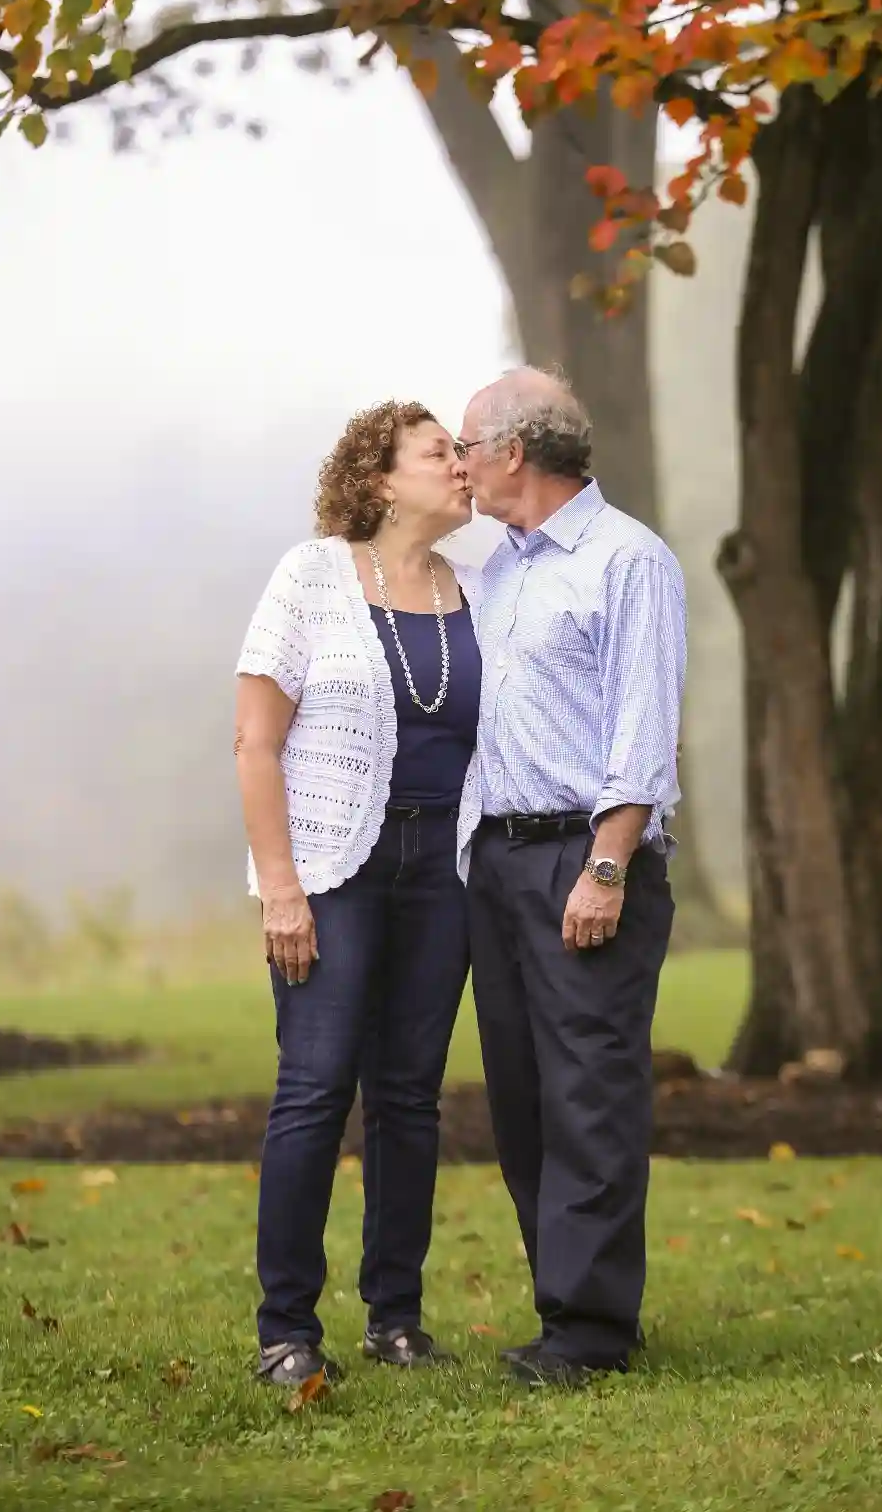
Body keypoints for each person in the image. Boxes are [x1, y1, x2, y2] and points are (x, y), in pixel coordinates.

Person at [234, 401, 481, 1387]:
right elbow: (255, 741)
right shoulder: (312, 576)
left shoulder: (478, 585)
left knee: (410, 1097)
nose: (462, 465)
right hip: (334, 869)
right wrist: (281, 890)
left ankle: (396, 1319)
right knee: (316, 1085)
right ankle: (285, 1330)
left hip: (443, 874)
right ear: (380, 478)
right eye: (439, 452)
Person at [455, 367, 687, 1386]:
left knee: (589, 1092)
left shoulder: (627, 560)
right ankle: (565, 1309)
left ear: (514, 451)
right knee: (523, 1099)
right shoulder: (499, 572)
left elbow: (644, 726)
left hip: (585, 856)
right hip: (499, 861)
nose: (458, 464)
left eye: (466, 445)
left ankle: (591, 1335)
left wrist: (606, 865)